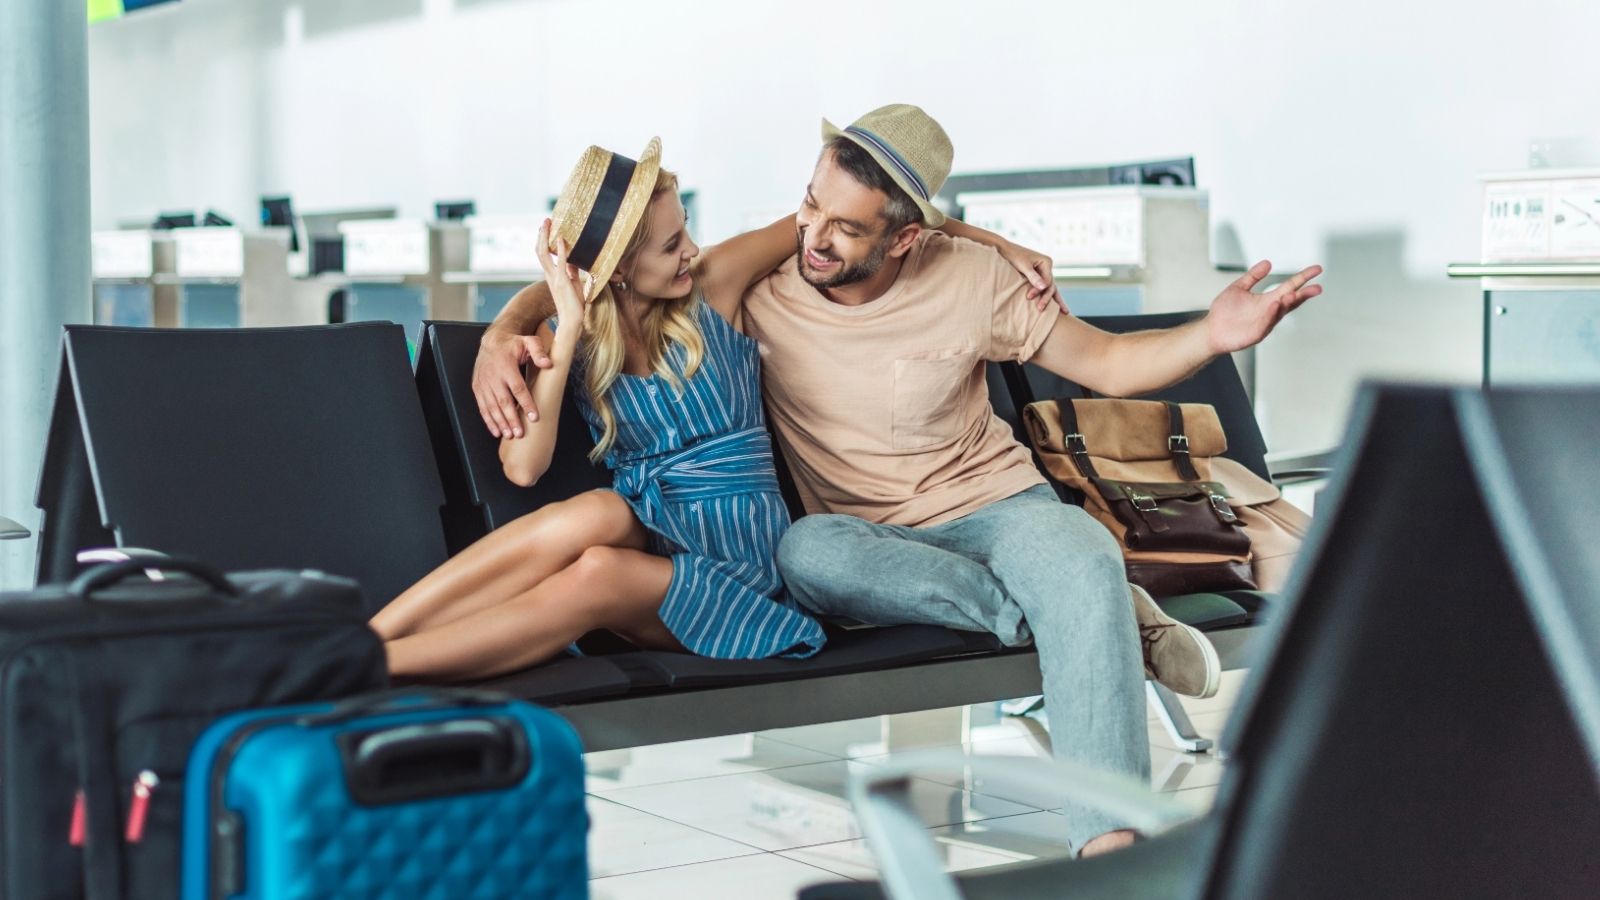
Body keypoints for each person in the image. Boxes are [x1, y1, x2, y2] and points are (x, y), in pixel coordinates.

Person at [474, 105, 1323, 857]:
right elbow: (605, 272)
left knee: (1075, 551)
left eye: (845, 227)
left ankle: (1109, 849)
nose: (814, 236)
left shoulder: (973, 277)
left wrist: (1212, 334)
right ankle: (1097, 612)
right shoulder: (761, 285)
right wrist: (500, 333)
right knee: (807, 551)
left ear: (908, 236)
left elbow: (1105, 363)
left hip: (1003, 510)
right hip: (867, 550)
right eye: (810, 205)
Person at [374, 135, 1053, 683]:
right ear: (618, 268)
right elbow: (523, 468)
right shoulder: (572, 340)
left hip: (745, 569)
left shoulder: (715, 286)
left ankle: (371, 665)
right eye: (672, 244)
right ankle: (368, 638)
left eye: (686, 231)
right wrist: (567, 323)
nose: (692, 251)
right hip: (658, 534)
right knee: (596, 514)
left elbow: (873, 216)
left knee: (600, 568)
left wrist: (997, 244)